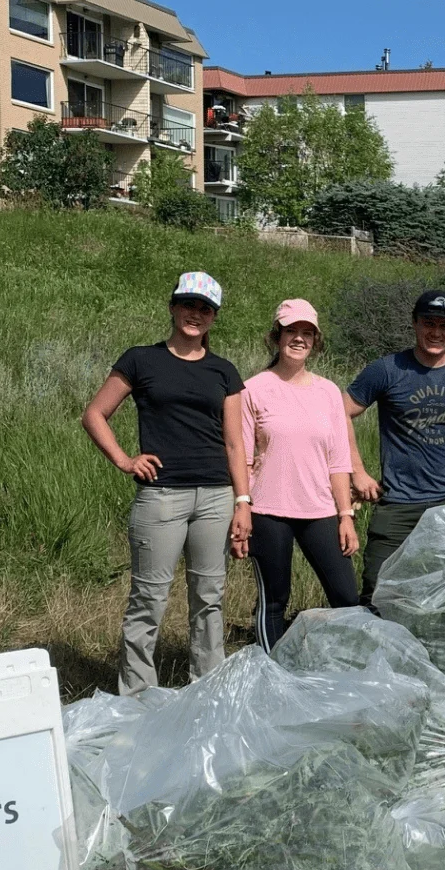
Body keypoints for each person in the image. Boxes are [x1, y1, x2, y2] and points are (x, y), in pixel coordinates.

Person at [82, 271, 246, 694]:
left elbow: (234, 441)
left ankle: (207, 689)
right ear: (173, 307)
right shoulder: (141, 360)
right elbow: (94, 414)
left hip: (216, 496)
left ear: (214, 316)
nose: (196, 314)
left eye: (205, 308)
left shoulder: (224, 371)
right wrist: (123, 459)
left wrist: (243, 501)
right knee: (149, 599)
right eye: (189, 305)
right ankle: (136, 698)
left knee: (209, 598)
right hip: (161, 497)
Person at [344, 291, 445, 604]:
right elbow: (340, 412)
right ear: (414, 323)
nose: (436, 332)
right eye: (429, 323)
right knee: (377, 588)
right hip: (397, 501)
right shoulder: (387, 370)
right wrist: (357, 472)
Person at [229, 299, 361, 648]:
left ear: (316, 342)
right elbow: (240, 456)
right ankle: (273, 676)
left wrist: (345, 515)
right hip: (268, 511)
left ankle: (348, 670)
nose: (298, 339)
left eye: (307, 333)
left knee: (347, 598)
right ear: (276, 337)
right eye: (291, 331)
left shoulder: (329, 392)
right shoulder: (252, 389)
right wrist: (241, 507)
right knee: (274, 602)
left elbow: (338, 460)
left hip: (320, 510)